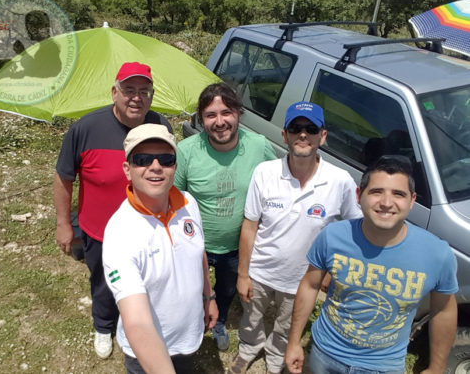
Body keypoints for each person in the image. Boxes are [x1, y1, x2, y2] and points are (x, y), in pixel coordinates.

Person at [284, 155, 458, 374]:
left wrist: (437, 367)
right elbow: (310, 285)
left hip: (383, 367)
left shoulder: (437, 253)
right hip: (324, 354)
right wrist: (293, 342)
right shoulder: (333, 236)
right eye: (376, 192)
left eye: (398, 194)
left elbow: (443, 311)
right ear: (359, 195)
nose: (386, 203)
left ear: (412, 200)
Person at [228, 101, 362, 374]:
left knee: (288, 325)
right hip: (261, 271)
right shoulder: (264, 173)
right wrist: (243, 274)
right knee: (251, 318)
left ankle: (277, 358)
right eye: (296, 128)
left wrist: (332, 272)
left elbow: (354, 230)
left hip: (304, 278)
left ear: (322, 136)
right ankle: (248, 349)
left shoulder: (341, 181)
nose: (303, 134)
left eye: (311, 128)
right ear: (284, 135)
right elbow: (250, 225)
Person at [53, 62, 172, 359]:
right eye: (128, 90)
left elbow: (167, 172)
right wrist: (63, 224)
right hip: (99, 229)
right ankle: (104, 325)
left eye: (144, 91)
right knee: (104, 282)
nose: (136, 97)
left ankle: (143, 322)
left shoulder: (160, 126)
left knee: (149, 279)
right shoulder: (85, 128)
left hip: (149, 227)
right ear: (114, 92)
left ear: (152, 96)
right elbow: (64, 176)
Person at [102, 124, 218, 373]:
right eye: (142, 159)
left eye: (165, 159)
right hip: (146, 352)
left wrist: (209, 297)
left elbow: (198, 252)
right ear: (127, 170)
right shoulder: (120, 232)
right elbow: (137, 323)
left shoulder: (189, 203)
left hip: (189, 338)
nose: (155, 166)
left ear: (175, 166)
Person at [174, 82, 276, 351]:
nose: (220, 121)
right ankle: (193, 321)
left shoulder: (259, 146)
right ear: (200, 118)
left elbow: (275, 188)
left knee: (228, 289)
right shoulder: (185, 152)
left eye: (227, 112)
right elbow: (173, 199)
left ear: (239, 114)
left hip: (237, 245)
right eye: (211, 115)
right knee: (191, 287)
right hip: (196, 244)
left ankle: (218, 321)